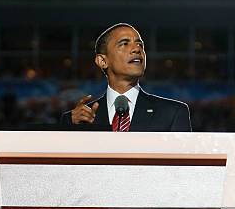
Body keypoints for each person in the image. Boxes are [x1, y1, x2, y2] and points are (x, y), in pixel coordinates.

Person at [61, 23, 191, 131]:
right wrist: (71, 127)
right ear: (102, 61)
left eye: (140, 44)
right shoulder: (78, 119)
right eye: (124, 43)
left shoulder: (173, 113)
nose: (136, 49)